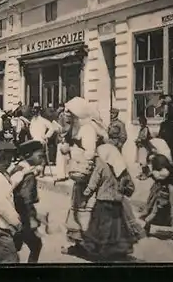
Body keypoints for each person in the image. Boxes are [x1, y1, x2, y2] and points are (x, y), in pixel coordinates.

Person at [65, 144, 141, 261]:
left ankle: (94, 251)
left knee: (97, 228)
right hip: (117, 203)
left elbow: (93, 183)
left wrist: (86, 194)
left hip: (101, 201)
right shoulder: (120, 168)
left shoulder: (100, 165)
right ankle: (117, 252)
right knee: (116, 230)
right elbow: (130, 188)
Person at [61, 97, 107, 252]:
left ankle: (90, 244)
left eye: (70, 112)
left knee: (87, 209)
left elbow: (89, 153)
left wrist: (75, 153)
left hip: (88, 175)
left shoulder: (87, 129)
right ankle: (81, 244)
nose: (66, 114)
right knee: (78, 208)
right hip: (80, 176)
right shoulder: (75, 129)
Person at [139, 142, 173, 242]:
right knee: (169, 209)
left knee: (157, 209)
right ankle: (147, 228)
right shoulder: (161, 159)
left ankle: (146, 228)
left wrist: (151, 174)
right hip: (166, 189)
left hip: (164, 189)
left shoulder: (158, 160)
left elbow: (163, 174)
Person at [8, 140, 47, 263]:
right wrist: (31, 218)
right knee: (36, 245)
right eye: (39, 156)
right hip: (23, 215)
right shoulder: (28, 176)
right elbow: (26, 198)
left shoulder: (17, 168)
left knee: (15, 246)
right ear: (28, 155)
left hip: (13, 213)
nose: (42, 159)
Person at [29, 102, 61, 178]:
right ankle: (37, 170)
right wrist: (32, 135)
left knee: (42, 156)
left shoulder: (43, 120)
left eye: (36, 110)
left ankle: (42, 172)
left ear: (39, 111)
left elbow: (52, 128)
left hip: (41, 140)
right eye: (34, 110)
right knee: (35, 156)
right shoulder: (33, 120)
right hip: (34, 139)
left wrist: (46, 136)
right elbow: (30, 128)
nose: (35, 112)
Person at [135, 115, 152, 180]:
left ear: (145, 123)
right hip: (140, 146)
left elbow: (145, 137)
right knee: (141, 161)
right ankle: (144, 172)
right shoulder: (141, 129)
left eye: (142, 122)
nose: (141, 124)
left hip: (144, 147)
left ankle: (145, 174)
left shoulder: (146, 129)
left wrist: (139, 140)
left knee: (144, 161)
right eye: (140, 122)